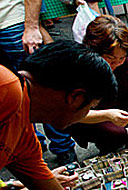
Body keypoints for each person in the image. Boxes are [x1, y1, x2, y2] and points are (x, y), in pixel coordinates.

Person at [0, 40, 128, 190]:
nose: (87, 113)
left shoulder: (25, 136)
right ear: (76, 98)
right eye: (90, 106)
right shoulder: (7, 89)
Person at [63, 15, 128, 155]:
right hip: (92, 116)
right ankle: (108, 149)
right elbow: (74, 113)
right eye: (111, 59)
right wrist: (107, 115)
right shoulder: (81, 66)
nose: (117, 63)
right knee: (116, 133)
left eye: (121, 58)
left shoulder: (123, 60)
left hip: (121, 107)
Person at [0, 0, 77, 165]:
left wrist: (32, 27)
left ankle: (63, 147)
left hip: (12, 23)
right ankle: (32, 149)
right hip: (11, 25)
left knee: (42, 88)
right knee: (13, 98)